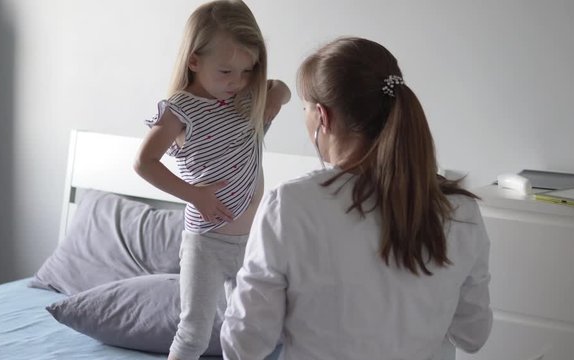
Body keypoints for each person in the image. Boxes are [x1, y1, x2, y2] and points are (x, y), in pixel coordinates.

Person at [220, 37, 492, 360]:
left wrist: (231, 289)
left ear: (323, 116)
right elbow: (473, 334)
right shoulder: (459, 209)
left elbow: (244, 346)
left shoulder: (291, 206)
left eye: (305, 109)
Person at [133, 1, 291, 359]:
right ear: (194, 61)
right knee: (194, 333)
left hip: (252, 243)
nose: (236, 81)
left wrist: (275, 96)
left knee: (253, 334)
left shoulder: (246, 101)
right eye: (225, 71)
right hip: (206, 243)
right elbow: (144, 162)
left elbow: (281, 87)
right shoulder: (180, 110)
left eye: (247, 70)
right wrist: (194, 195)